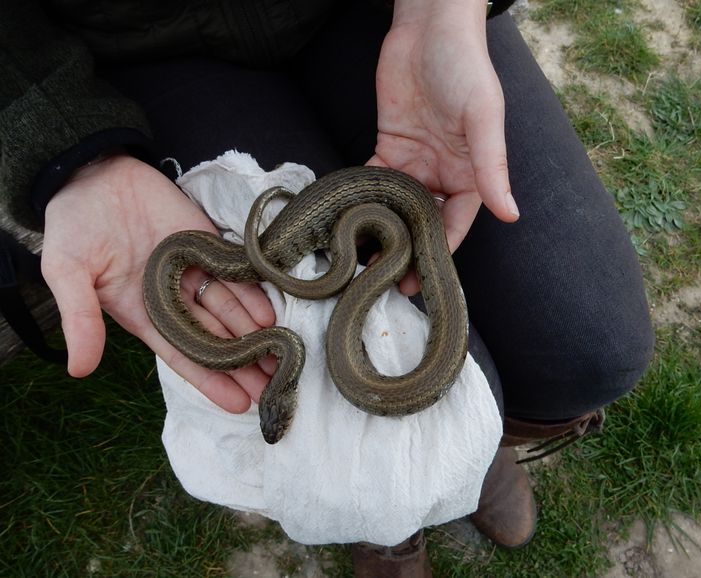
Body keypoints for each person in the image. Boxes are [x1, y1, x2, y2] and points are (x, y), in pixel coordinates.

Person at [1, 0, 654, 575]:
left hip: (366, 13)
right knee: (365, 445)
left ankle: (469, 453)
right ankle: (413, 504)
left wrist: (441, 13)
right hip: (131, 48)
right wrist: (65, 150)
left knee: (591, 344)